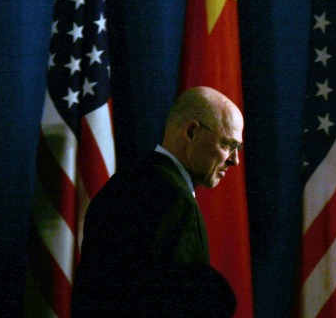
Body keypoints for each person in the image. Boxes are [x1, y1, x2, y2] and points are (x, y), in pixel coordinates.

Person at [72, 86, 243, 317]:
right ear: (192, 132)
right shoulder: (177, 203)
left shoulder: (121, 184)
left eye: (238, 148)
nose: (235, 160)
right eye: (227, 144)